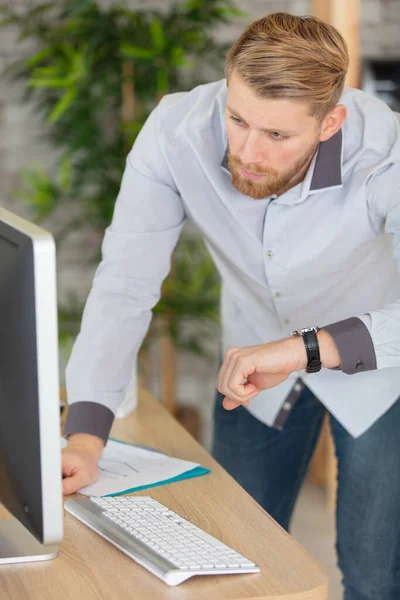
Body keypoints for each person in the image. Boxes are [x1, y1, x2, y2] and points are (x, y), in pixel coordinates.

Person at [61, 12, 400, 599]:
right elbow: (125, 282)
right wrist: (86, 435)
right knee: (231, 560)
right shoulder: (175, 131)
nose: (245, 152)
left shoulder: (386, 153)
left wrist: (305, 349)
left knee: (373, 575)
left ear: (330, 123)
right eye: (237, 118)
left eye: (276, 136)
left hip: (378, 371)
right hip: (250, 363)